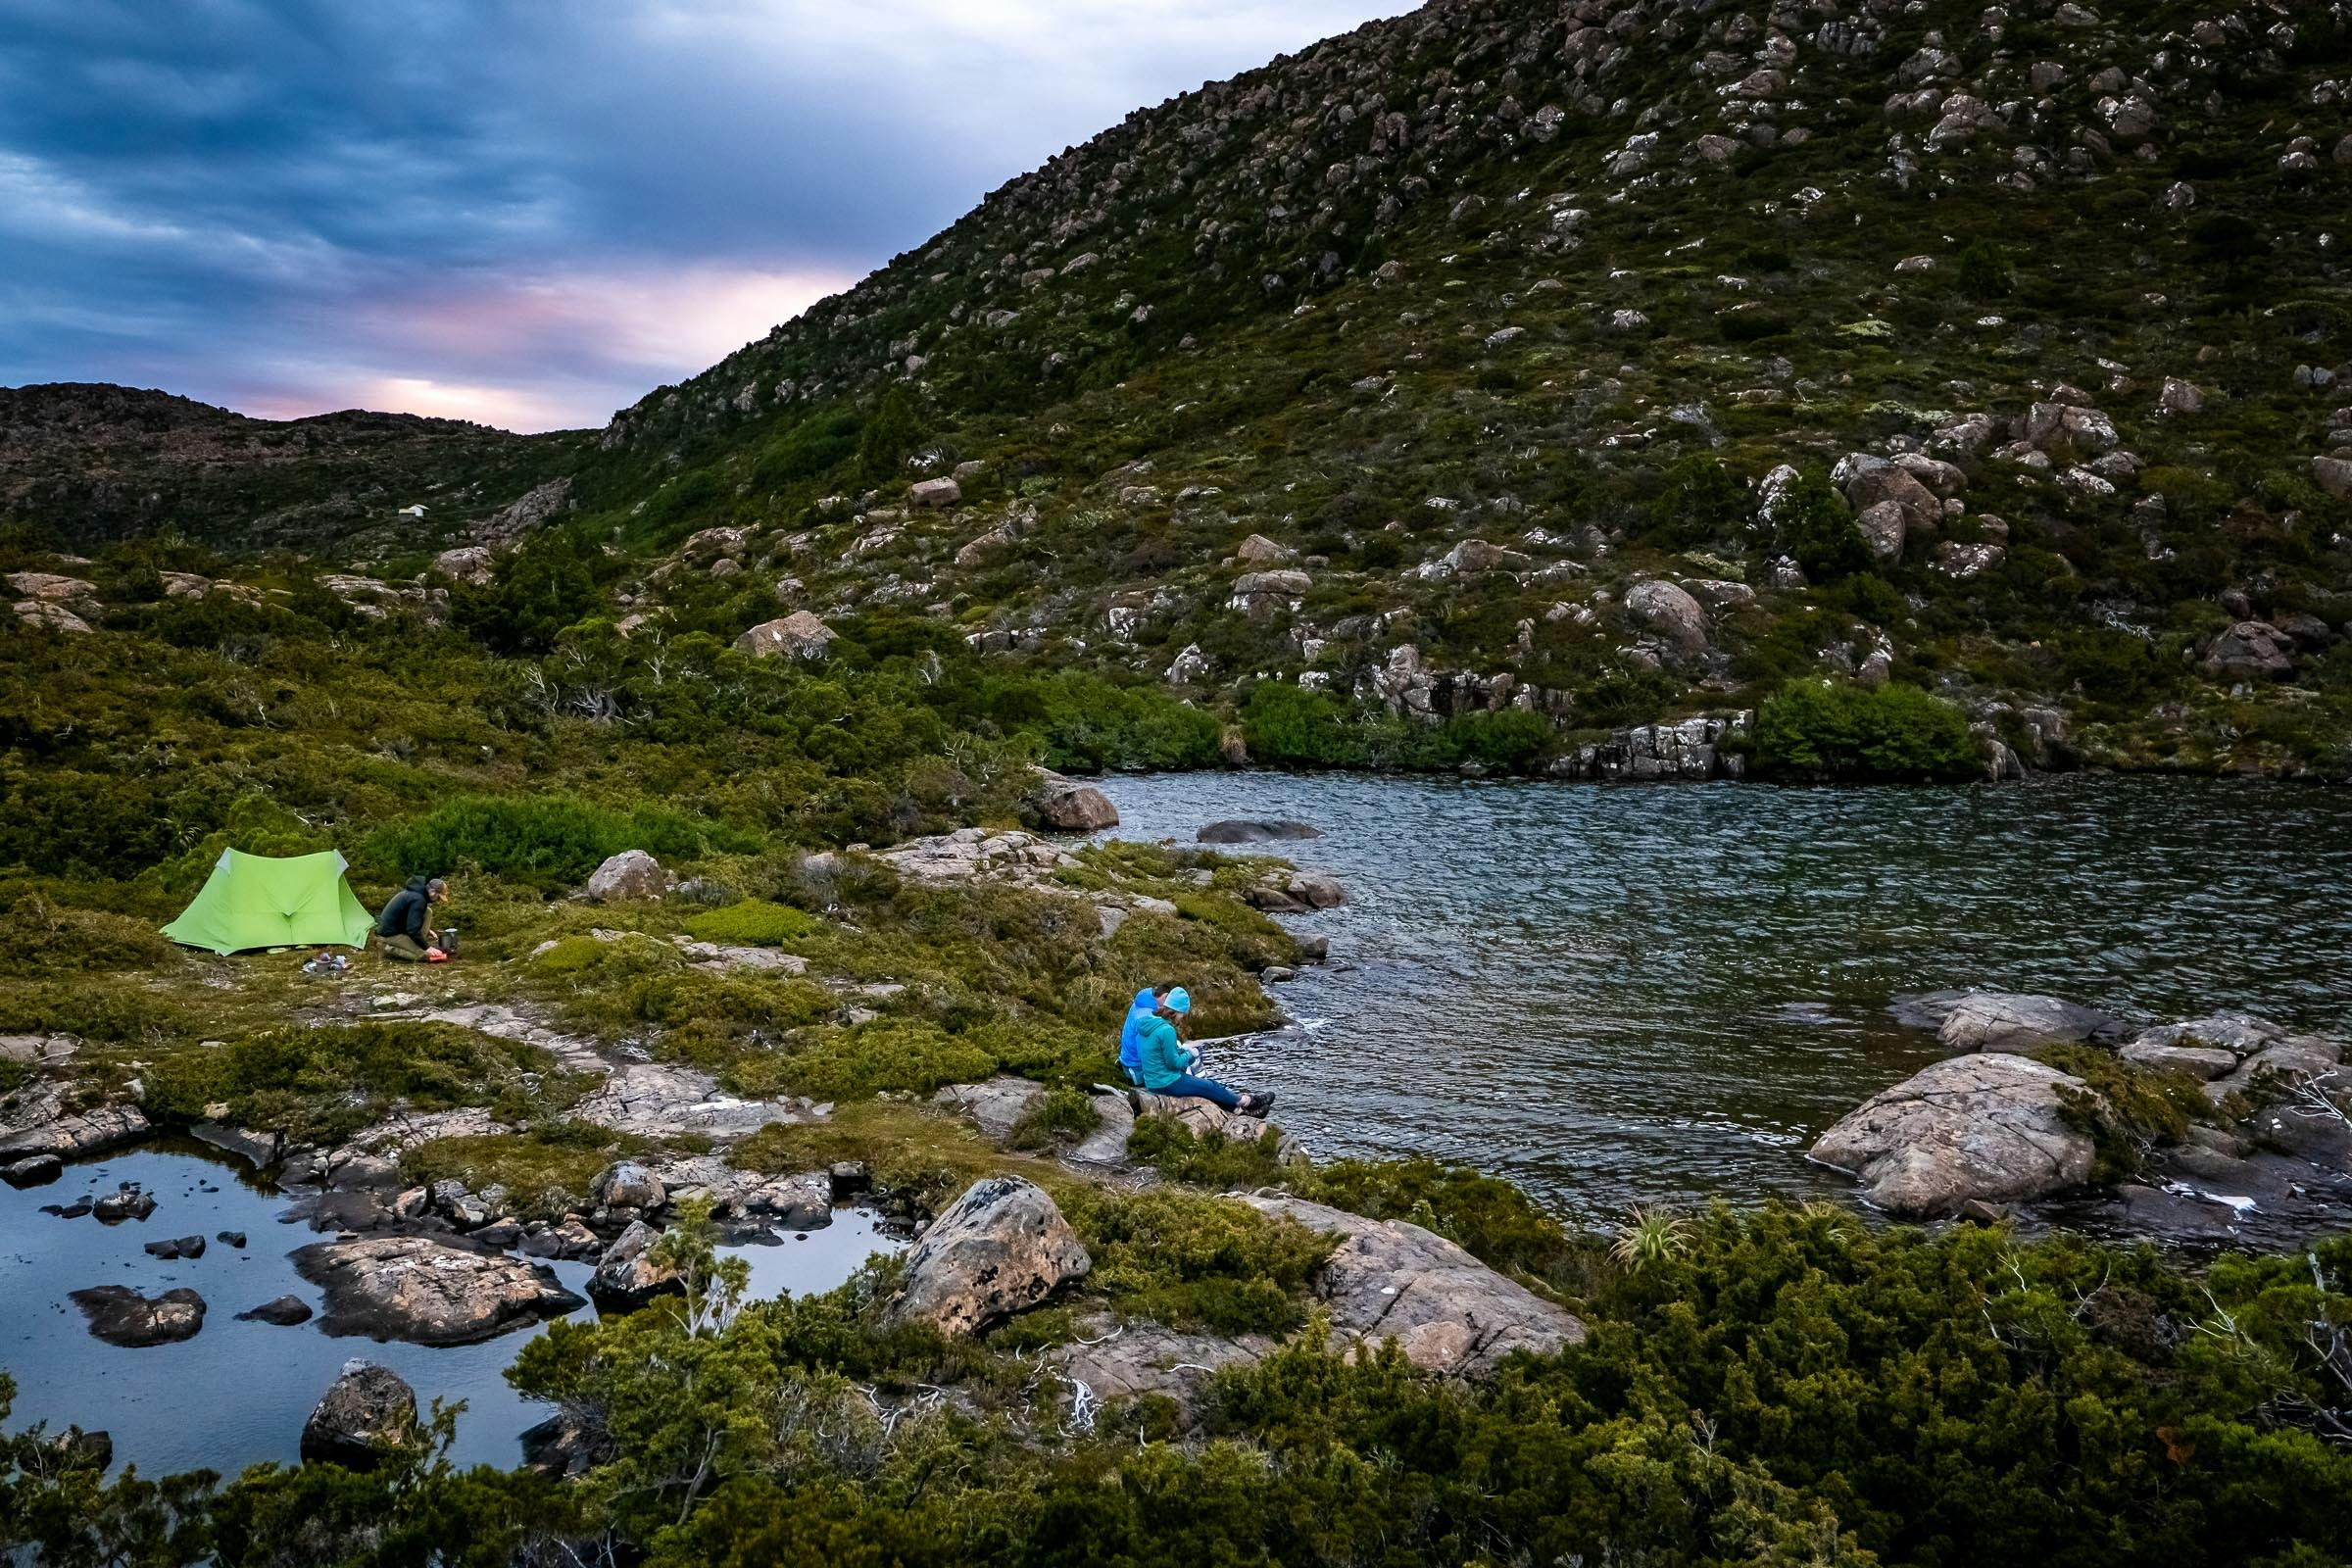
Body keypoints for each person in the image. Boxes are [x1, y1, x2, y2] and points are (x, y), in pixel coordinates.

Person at [1132, 986, 1274, 1117]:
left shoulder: (1149, 1022)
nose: (1182, 1018)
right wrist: (1190, 1054)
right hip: (1166, 1082)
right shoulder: (1167, 1030)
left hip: (1153, 1080)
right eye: (1183, 1014)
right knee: (1209, 1086)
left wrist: (1182, 1051)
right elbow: (1173, 1064)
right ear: (1177, 1011)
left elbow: (1162, 1053)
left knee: (1208, 1087)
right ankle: (1248, 1101)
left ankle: (1239, 1111)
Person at [376, 875, 450, 962]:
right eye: (438, 897)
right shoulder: (418, 900)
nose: (437, 900)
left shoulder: (417, 894)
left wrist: (428, 930)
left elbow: (410, 917)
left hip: (399, 928)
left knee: (428, 911)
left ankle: (417, 943)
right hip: (389, 934)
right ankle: (387, 948)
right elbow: (412, 930)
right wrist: (428, 948)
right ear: (433, 891)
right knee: (423, 955)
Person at [1117, 983, 1167, 1086]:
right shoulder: (1147, 1016)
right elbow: (1145, 1052)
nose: (1167, 1003)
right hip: (1135, 1067)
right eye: (1165, 998)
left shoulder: (1140, 1002)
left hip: (1126, 1057)